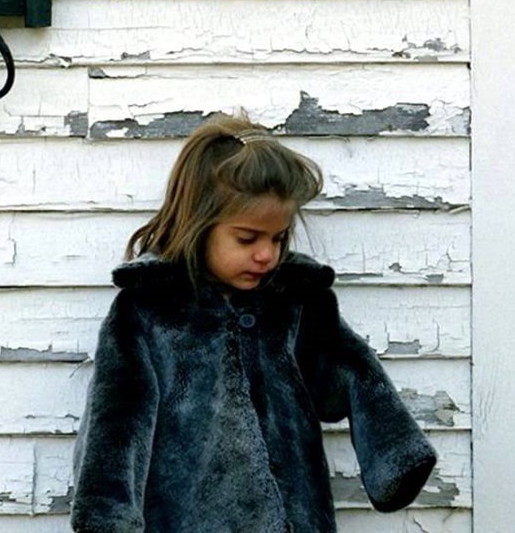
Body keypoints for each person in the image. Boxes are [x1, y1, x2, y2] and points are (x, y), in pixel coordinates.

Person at [70, 116, 437, 533]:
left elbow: (352, 376)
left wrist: (396, 457)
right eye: (247, 239)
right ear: (198, 226)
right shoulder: (148, 310)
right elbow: (116, 425)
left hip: (298, 518)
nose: (267, 255)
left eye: (278, 238)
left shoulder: (294, 301)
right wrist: (106, 519)